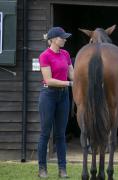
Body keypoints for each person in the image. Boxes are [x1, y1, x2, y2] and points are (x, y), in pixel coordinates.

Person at [37, 27, 74, 178]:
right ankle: (42, 169)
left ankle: (62, 169)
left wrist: (82, 82)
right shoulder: (44, 56)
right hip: (49, 95)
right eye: (62, 37)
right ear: (53, 39)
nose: (65, 39)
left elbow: (72, 73)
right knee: (45, 133)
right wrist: (69, 84)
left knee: (60, 134)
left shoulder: (66, 54)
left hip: (63, 96)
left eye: (65, 37)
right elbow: (48, 80)